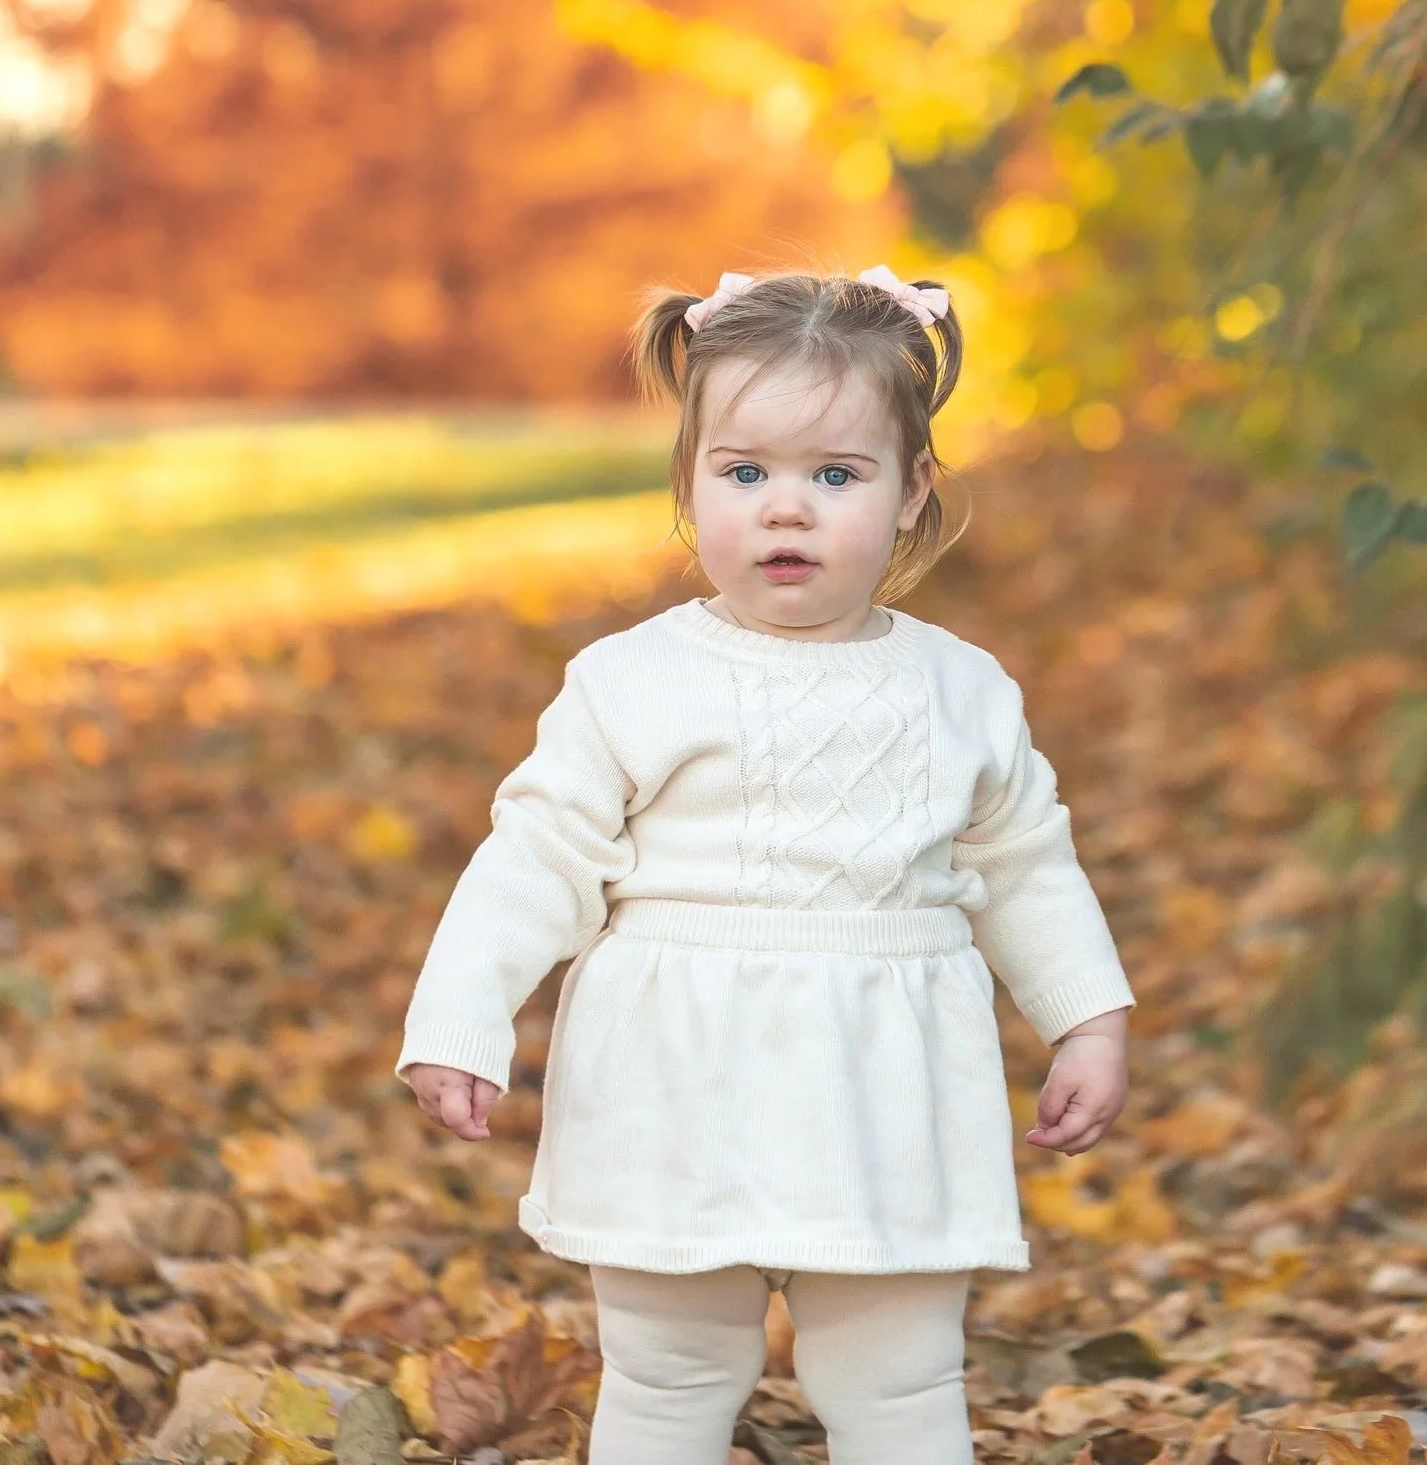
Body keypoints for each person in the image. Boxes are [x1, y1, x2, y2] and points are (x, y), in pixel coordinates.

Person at [396, 266, 1136, 1464]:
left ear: (910, 494)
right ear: (690, 485)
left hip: (887, 1080)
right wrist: (460, 1015)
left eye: (834, 476)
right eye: (744, 473)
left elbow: (1023, 858)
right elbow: (536, 852)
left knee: (897, 1379)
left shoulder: (960, 688)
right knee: (670, 1370)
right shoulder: (631, 681)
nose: (784, 510)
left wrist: (1086, 1020)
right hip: (671, 1074)